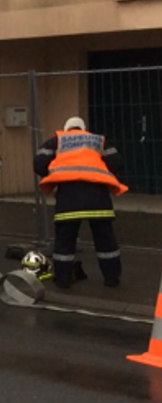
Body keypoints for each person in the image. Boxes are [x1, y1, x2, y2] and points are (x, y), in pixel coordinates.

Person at [34, 116, 128, 289]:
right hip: (98, 200)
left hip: (68, 200)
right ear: (84, 128)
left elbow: (39, 164)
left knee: (65, 242)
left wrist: (55, 172)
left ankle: (63, 279)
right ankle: (112, 279)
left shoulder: (57, 141)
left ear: (66, 129)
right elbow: (117, 162)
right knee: (106, 241)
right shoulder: (98, 141)